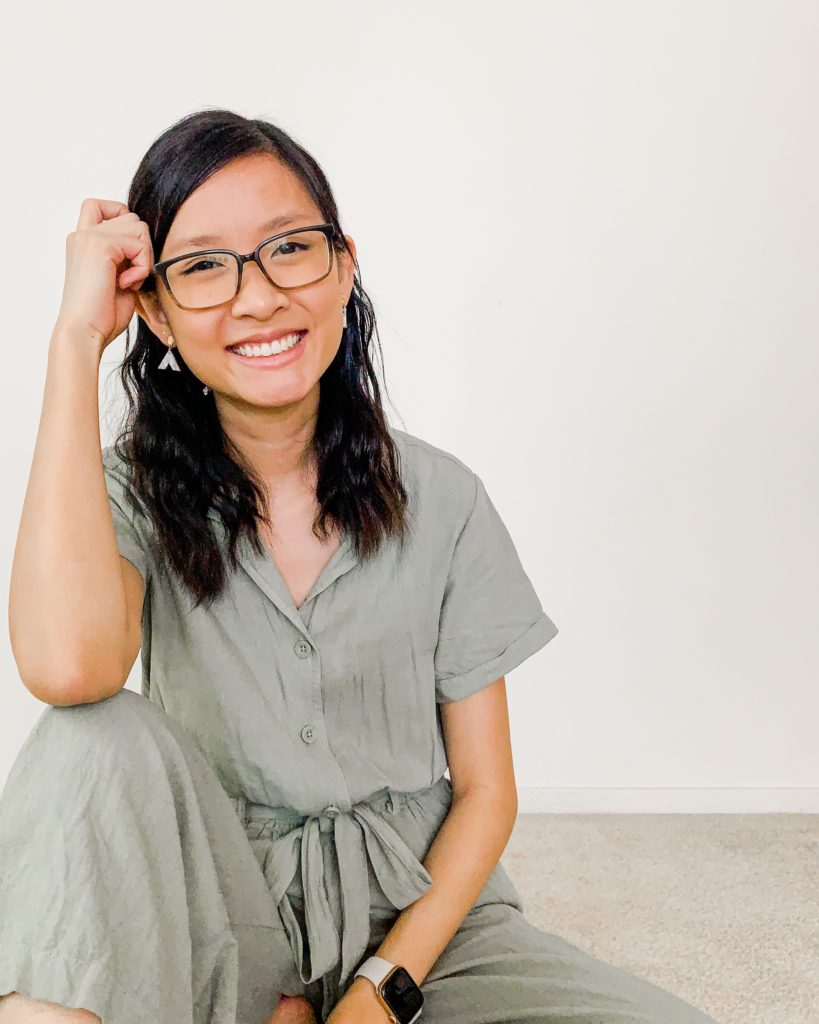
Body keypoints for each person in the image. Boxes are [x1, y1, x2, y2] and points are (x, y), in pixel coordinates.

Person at [0, 109, 720, 1024]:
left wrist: (380, 992)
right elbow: (67, 669)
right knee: (88, 735)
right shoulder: (129, 493)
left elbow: (488, 791)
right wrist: (73, 343)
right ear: (155, 309)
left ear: (343, 263)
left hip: (422, 925)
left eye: (288, 250)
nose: (257, 298)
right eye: (205, 267)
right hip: (219, 919)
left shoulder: (445, 498)